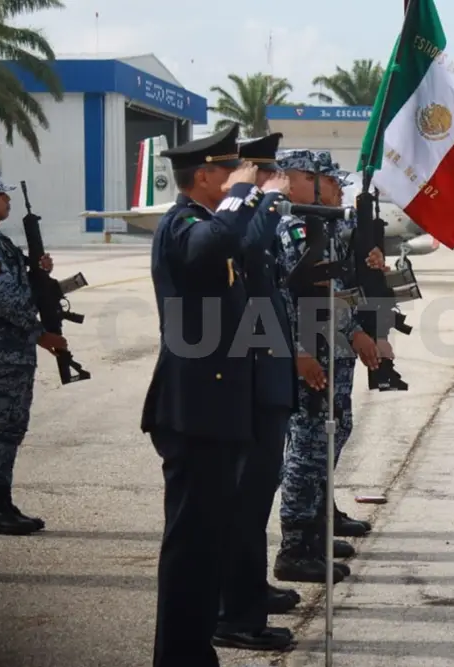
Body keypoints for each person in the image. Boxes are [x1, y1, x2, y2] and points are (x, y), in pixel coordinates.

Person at [140, 123, 267, 667]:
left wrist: (259, 200)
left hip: (215, 408)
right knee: (191, 547)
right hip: (195, 411)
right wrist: (243, 195)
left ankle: (191, 652)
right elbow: (210, 247)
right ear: (205, 175)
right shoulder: (183, 224)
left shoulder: (212, 223)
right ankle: (180, 657)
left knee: (207, 542)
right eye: (230, 169)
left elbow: (243, 243)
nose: (239, 175)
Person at [272, 149, 379, 584]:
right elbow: (319, 289)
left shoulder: (322, 222)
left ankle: (315, 527)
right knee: (308, 444)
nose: (337, 188)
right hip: (309, 347)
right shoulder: (295, 226)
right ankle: (295, 545)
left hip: (328, 346)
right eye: (328, 181)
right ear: (297, 179)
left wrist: (371, 257)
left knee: (333, 431)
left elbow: (346, 271)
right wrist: (354, 330)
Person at [213, 132, 297, 652]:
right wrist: (262, 202)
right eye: (266, 173)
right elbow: (241, 246)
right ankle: (234, 613)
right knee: (242, 504)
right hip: (248, 384)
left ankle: (249, 593)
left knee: (255, 502)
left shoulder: (251, 221)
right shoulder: (235, 223)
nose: (275, 182)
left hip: (266, 381)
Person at [0, 168, 64, 535]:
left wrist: (37, 273)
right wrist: (40, 332)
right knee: (1, 425)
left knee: (11, 424)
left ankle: (1, 501)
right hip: (0, 347)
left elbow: (16, 286)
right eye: (0, 194)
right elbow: (5, 297)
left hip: (10, 347)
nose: (7, 199)